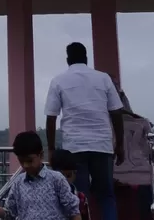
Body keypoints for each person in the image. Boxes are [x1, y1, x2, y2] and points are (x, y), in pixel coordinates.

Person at [44, 42, 125, 220]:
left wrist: (51, 149)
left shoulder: (59, 81)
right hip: (102, 146)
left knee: (78, 196)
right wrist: (119, 145)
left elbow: (51, 118)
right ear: (86, 58)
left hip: (74, 147)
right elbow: (116, 113)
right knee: (106, 195)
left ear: (68, 60)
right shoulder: (103, 78)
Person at [0, 131, 82, 220]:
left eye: (29, 160)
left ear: (41, 155)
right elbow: (8, 214)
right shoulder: (18, 183)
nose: (26, 165)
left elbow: (73, 212)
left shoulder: (56, 179)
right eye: (21, 161)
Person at [50, 149, 91, 220]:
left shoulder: (80, 198)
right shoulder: (46, 193)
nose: (64, 180)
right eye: (60, 176)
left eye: (68, 175)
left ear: (75, 174)